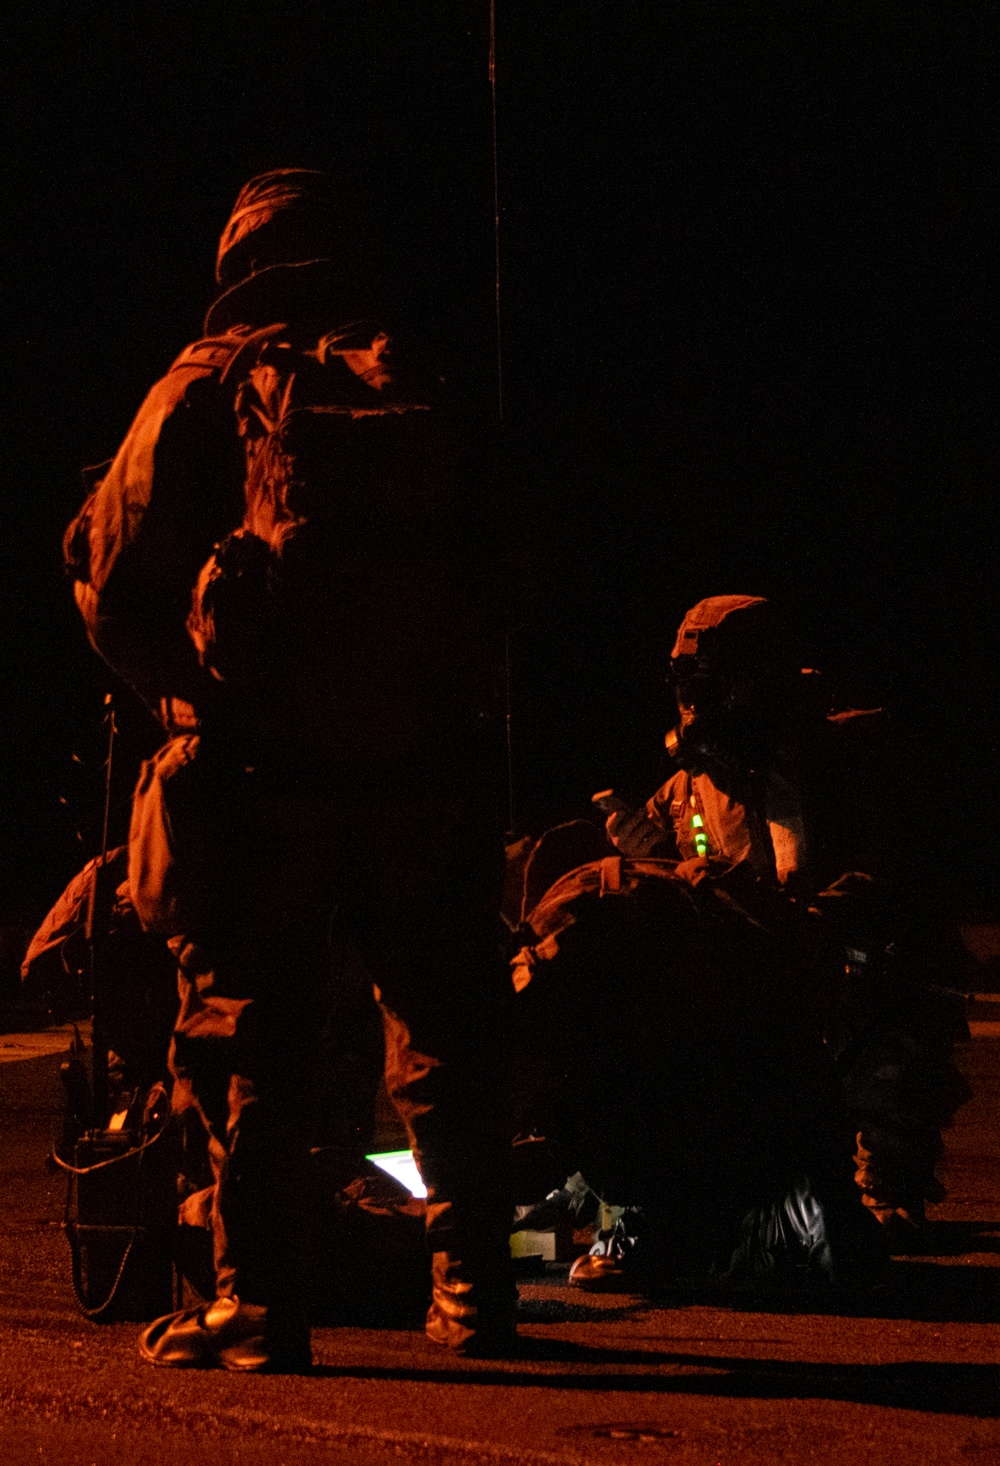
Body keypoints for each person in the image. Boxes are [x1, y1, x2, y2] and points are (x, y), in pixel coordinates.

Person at [64, 169, 514, 1368]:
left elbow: (111, 579)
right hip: (421, 761)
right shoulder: (411, 375)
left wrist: (179, 690)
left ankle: (259, 1305)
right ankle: (475, 1286)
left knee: (247, 1031)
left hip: (262, 769)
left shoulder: (206, 386)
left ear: (239, 265)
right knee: (443, 1024)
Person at [603, 594, 971, 1237]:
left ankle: (887, 1175)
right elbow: (677, 879)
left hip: (852, 960)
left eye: (714, 683)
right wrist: (649, 855)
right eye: (689, 685)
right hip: (762, 971)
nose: (699, 702)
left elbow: (895, 872)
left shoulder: (852, 754)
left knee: (895, 997)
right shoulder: (692, 784)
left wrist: (810, 926)